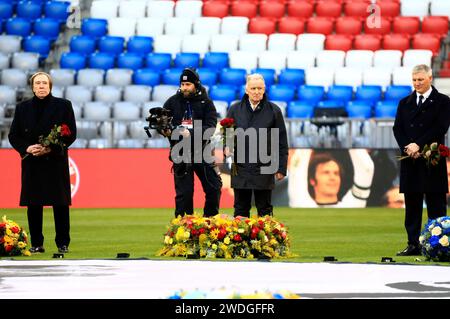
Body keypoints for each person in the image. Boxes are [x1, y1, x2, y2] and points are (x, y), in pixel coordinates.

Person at [8, 72, 77, 254]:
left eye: (44, 83)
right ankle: (37, 243)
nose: (41, 86)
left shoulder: (64, 105)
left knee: (60, 204)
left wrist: (50, 148)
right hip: (33, 162)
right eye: (38, 83)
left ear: (50, 86)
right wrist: (27, 148)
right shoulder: (22, 108)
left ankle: (63, 243)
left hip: (55, 161)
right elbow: (13, 135)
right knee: (34, 205)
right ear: (32, 86)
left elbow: (71, 134)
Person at [393, 64, 450, 256]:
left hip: (432, 160)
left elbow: (440, 128)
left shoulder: (443, 101)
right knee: (412, 207)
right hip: (411, 160)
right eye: (414, 80)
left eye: (421, 80)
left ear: (430, 78)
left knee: (436, 205)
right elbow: (397, 128)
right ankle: (413, 244)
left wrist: (418, 144)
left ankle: (439, 245)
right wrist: (408, 147)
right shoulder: (404, 103)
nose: (417, 83)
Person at [225, 73, 288, 217]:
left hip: (264, 167)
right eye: (253, 88)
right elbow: (227, 135)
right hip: (240, 167)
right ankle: (240, 240)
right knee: (240, 210)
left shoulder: (274, 111)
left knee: (265, 210)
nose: (256, 92)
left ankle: (266, 240)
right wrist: (227, 147)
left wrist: (281, 168)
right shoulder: (234, 109)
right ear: (246, 90)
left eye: (260, 88)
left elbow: (281, 142)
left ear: (264, 89)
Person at [161, 68, 222, 217]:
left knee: (214, 187)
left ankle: (210, 222)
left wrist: (191, 133)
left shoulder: (206, 103)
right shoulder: (172, 102)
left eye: (188, 84)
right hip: (180, 152)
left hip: (202, 151)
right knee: (184, 194)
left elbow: (211, 127)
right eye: (182, 84)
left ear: (196, 84)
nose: (184, 87)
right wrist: (165, 131)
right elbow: (163, 124)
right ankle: (183, 230)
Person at [288, 149, 374, 207]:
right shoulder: (301, 203)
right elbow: (297, 168)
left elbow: (366, 169)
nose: (332, 177)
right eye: (326, 173)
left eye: (336, 173)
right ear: (312, 180)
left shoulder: (353, 205)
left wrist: (352, 134)